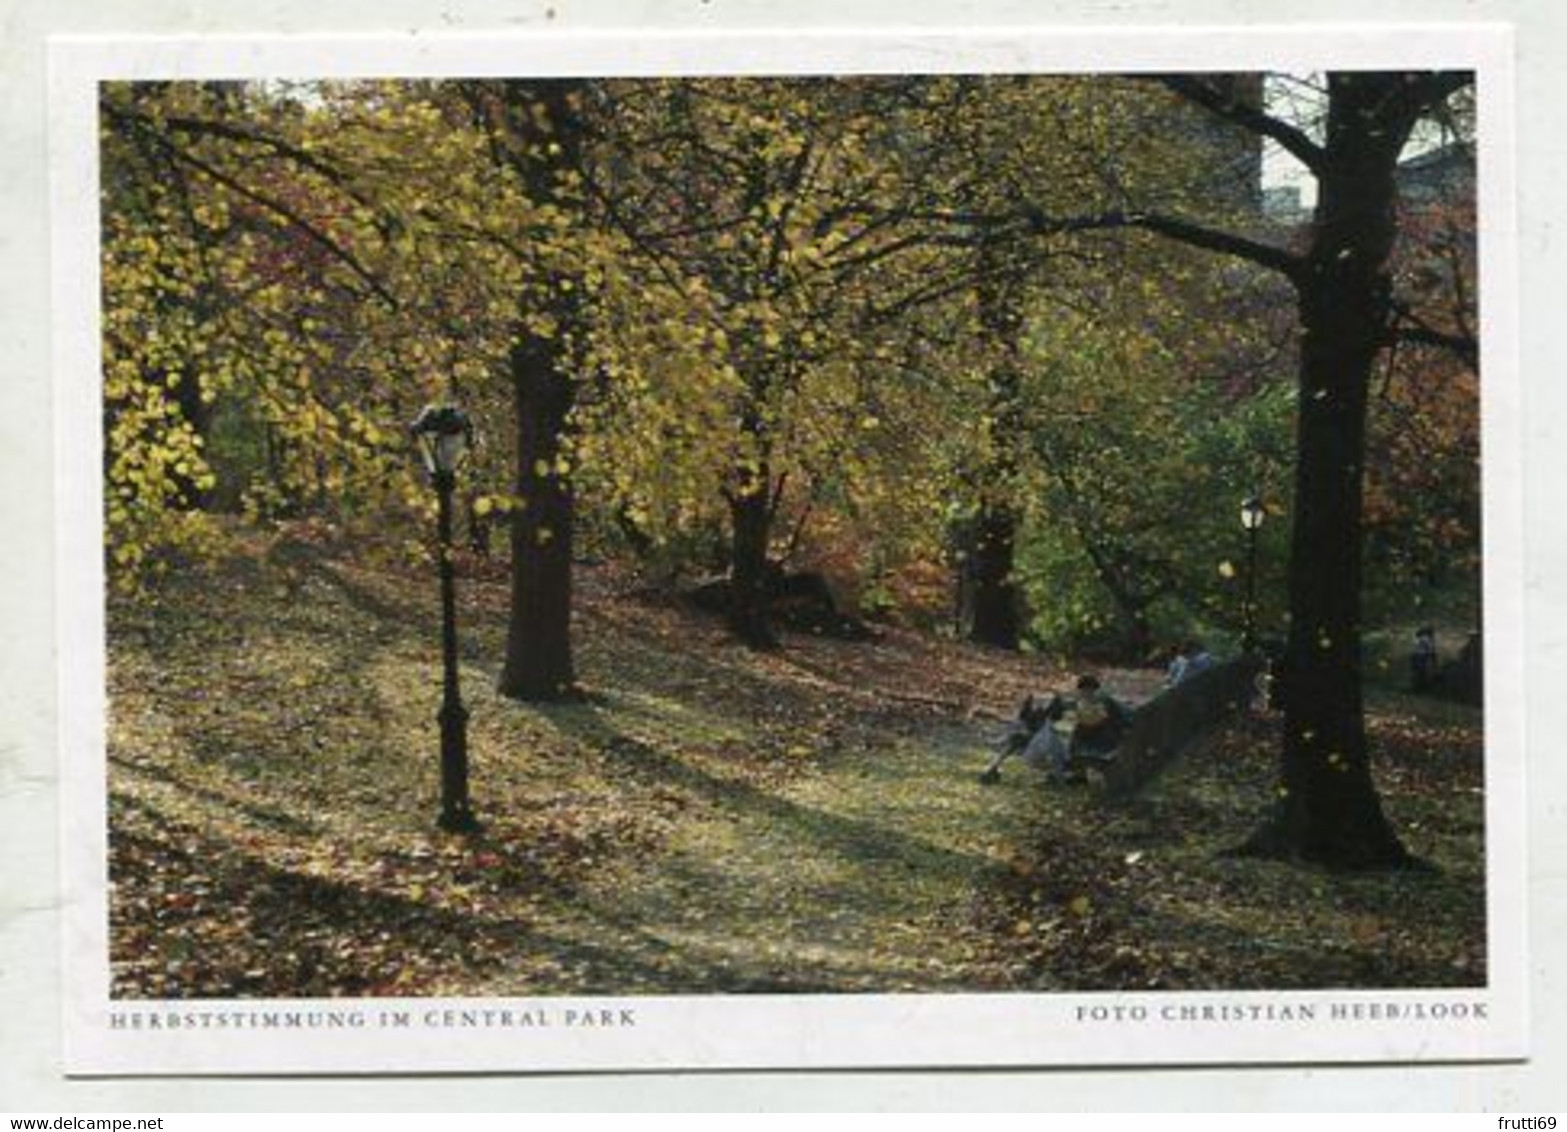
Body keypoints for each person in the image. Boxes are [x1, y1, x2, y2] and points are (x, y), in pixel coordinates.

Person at [1410, 626, 1439, 694]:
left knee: (1418, 673)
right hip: (1422, 657)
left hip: (1416, 656)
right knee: (1422, 673)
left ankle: (1417, 688)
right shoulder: (1427, 639)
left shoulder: (1418, 639)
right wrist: (1434, 662)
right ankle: (1422, 689)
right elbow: (1431, 651)